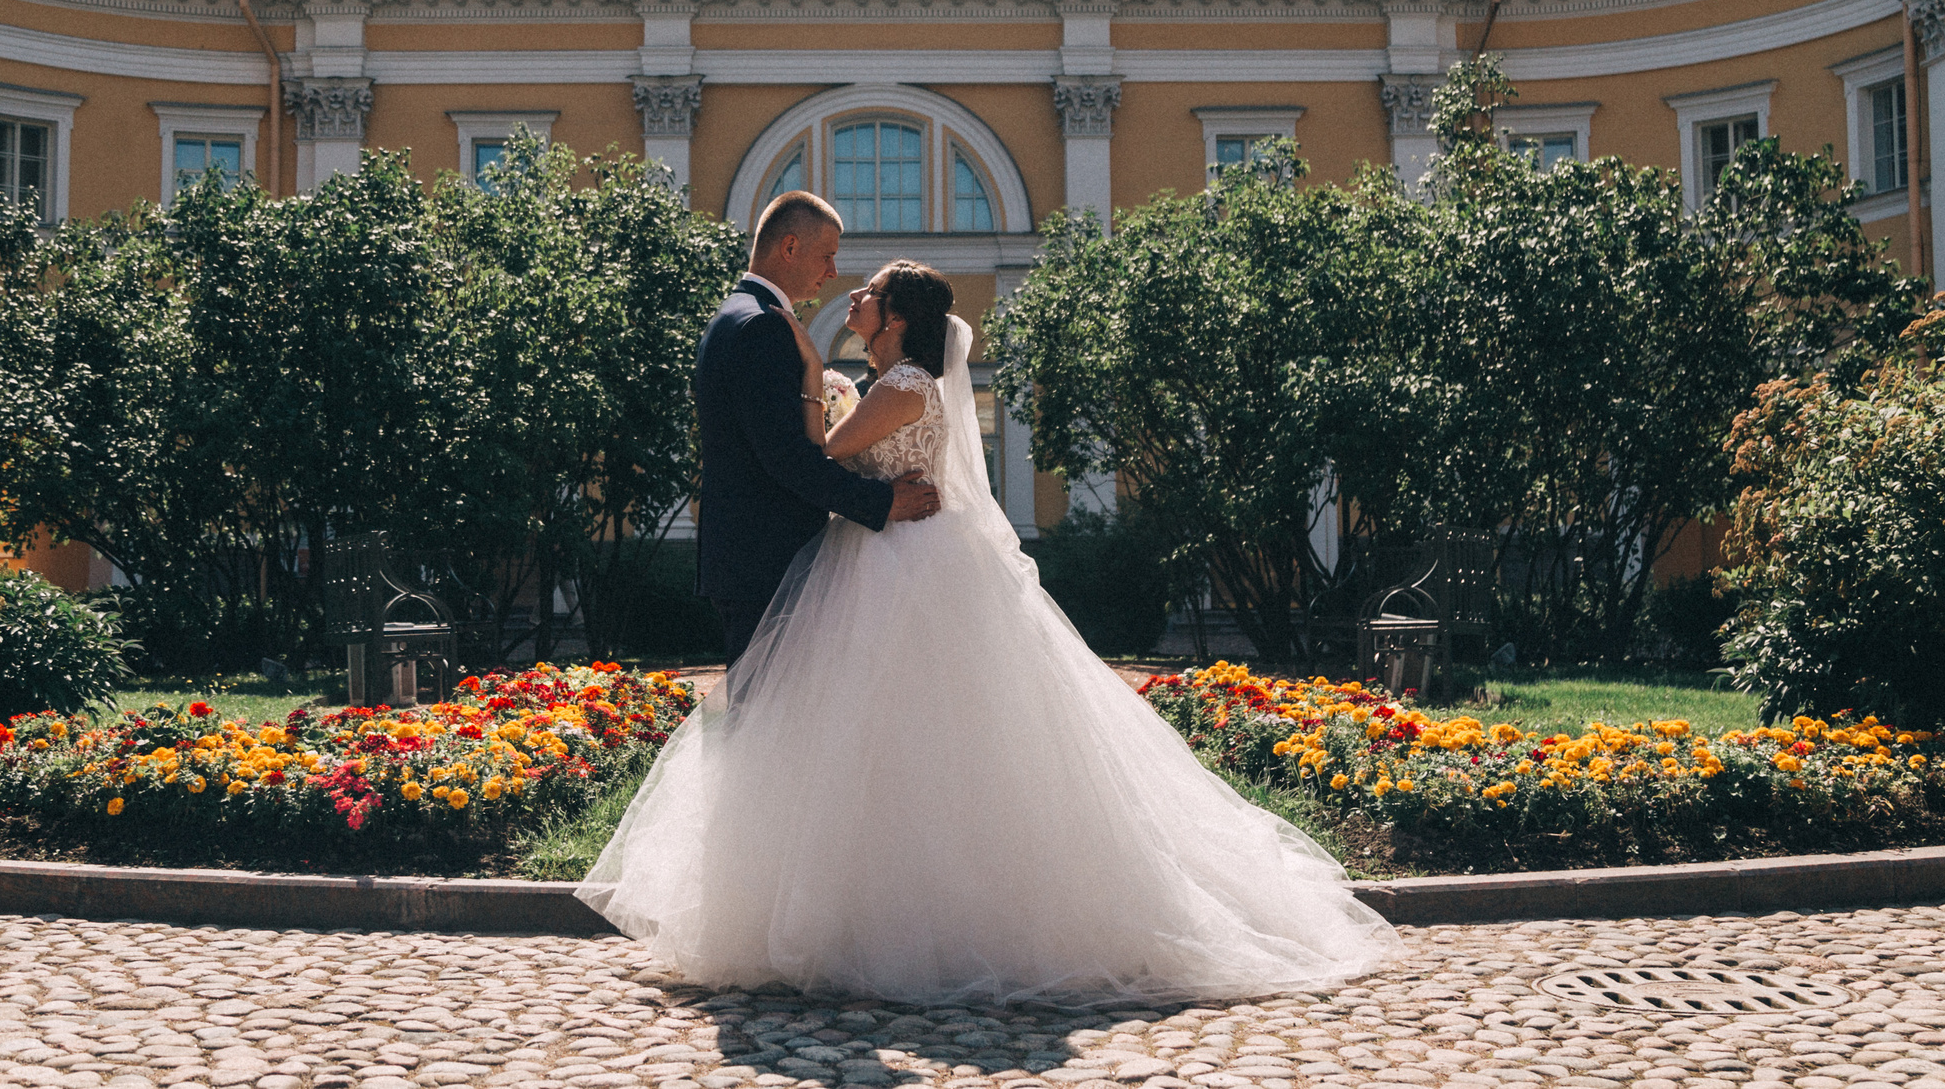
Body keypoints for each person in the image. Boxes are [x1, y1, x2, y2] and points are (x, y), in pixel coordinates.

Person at [579, 256, 1400, 1004]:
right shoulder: (893, 380)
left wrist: (809, 378)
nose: (854, 294)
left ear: (897, 316)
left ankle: (910, 915)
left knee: (898, 736)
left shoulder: (901, 385)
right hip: (886, 553)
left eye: (870, 291)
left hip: (898, 564)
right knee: (885, 739)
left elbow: (821, 451)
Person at [691, 191, 941, 662]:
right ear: (789, 247)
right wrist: (882, 502)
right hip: (766, 560)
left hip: (750, 556)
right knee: (769, 706)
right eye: (827, 255)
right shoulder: (761, 326)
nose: (833, 272)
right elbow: (788, 458)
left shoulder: (740, 315)